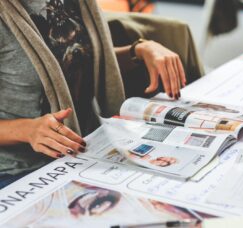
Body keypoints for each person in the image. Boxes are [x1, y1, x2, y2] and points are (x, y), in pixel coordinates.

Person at [0, 0, 202, 188]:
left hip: (86, 148)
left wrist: (139, 50)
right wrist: (27, 130)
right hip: (20, 170)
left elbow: (78, 60)